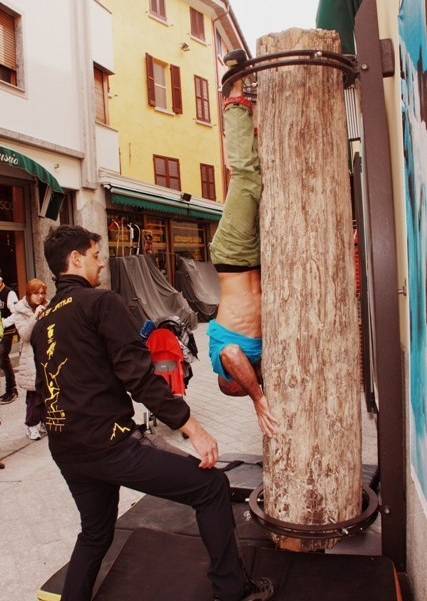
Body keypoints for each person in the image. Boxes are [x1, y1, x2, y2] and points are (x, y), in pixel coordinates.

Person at [31, 224, 274, 601]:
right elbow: (140, 377)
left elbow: (45, 390)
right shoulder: (101, 302)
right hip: (111, 446)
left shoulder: (44, 321)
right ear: (76, 259)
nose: (101, 264)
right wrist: (194, 428)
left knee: (95, 532)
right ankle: (233, 590)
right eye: (96, 256)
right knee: (211, 488)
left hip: (66, 449)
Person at [208, 51, 279, 438]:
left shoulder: (228, 356)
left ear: (230, 378)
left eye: (242, 383)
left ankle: (232, 95)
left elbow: (235, 358)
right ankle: (253, 116)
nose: (251, 379)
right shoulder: (258, 357)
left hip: (233, 257)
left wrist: (257, 398)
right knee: (268, 178)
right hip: (257, 262)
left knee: (247, 179)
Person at [14, 279, 48, 440]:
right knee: (33, 397)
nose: (40, 297)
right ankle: (31, 425)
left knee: (46, 394)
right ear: (29, 294)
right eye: (36, 293)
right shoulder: (20, 310)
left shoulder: (47, 307)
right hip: (30, 359)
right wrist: (35, 316)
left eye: (42, 293)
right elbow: (25, 335)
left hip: (45, 356)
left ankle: (43, 422)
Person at [0, 269, 18, 404]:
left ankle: (11, 389)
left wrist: (4, 323)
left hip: (7, 331)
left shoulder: (9, 293)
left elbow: (16, 314)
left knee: (3, 357)